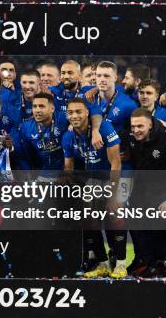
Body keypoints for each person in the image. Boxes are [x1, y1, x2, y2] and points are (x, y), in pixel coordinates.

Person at [61, 98, 126, 279]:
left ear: (87, 113)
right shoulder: (68, 137)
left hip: (112, 176)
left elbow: (116, 163)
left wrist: (112, 194)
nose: (75, 116)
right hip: (92, 181)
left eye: (79, 112)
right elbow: (69, 168)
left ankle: (121, 263)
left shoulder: (103, 128)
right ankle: (103, 262)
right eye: (71, 112)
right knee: (89, 217)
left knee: (115, 212)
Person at [121, 108, 166, 277]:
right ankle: (142, 259)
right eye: (133, 126)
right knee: (133, 219)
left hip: (165, 193)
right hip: (141, 191)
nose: (136, 130)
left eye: (140, 126)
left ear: (150, 124)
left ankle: (163, 262)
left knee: (159, 224)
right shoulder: (130, 138)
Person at [15, 93, 67, 171]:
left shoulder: (63, 118)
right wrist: (28, 174)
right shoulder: (26, 127)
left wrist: (72, 125)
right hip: (41, 171)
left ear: (52, 109)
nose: (37, 110)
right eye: (34, 106)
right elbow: (22, 155)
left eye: (41, 106)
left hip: (64, 170)